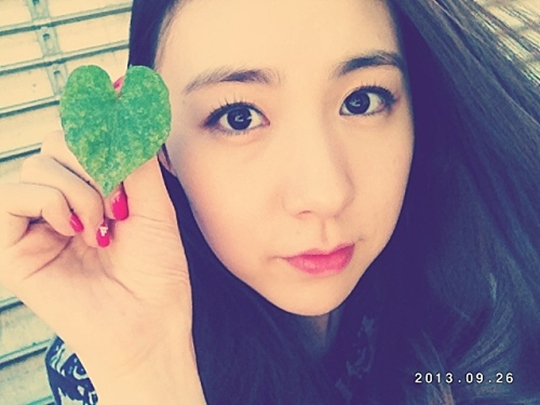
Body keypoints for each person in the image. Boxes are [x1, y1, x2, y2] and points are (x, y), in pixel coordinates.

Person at [0, 0, 539, 403]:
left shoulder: (478, 280)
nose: (325, 194)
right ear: (158, 144)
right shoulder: (102, 359)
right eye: (238, 117)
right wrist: (147, 368)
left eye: (362, 100)